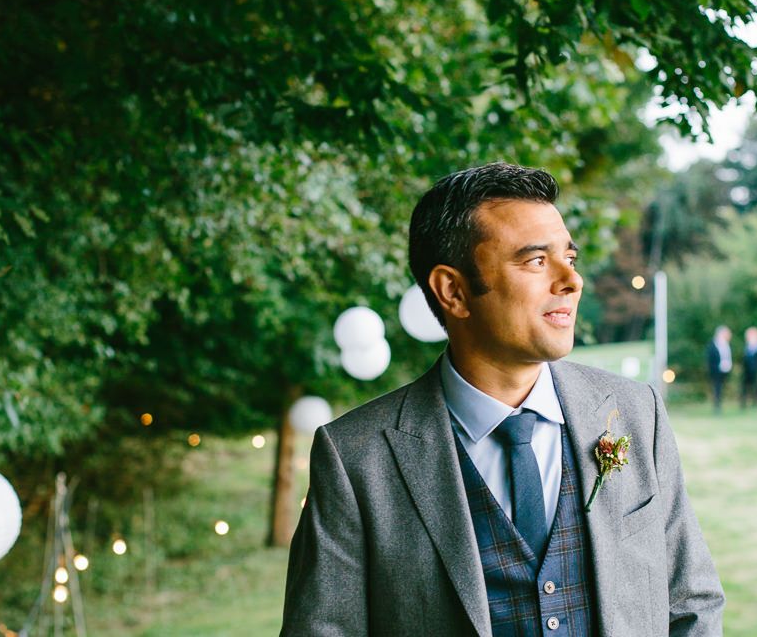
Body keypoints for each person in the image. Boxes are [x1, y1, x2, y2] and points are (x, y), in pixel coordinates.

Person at [282, 162, 724, 637]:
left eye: (569, 259)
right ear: (452, 290)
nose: (571, 282)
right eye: (536, 261)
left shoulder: (635, 413)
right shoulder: (355, 458)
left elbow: (690, 604)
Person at [705, 326, 732, 414]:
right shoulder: (713, 344)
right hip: (715, 371)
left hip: (724, 371)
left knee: (721, 388)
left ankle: (719, 404)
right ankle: (717, 406)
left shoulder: (726, 345)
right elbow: (710, 359)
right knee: (717, 388)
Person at [740, 327, 757, 409]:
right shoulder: (747, 346)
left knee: (756, 387)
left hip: (756, 371)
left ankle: (755, 403)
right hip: (746, 371)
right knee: (744, 387)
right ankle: (743, 404)